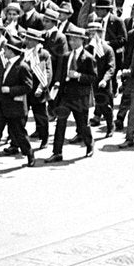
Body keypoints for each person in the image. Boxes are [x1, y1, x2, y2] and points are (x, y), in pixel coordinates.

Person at [0, 34, 37, 171]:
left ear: (12, 51)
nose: (3, 51)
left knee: (19, 134)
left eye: (6, 49)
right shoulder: (3, 64)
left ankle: (29, 153)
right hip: (1, 106)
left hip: (15, 107)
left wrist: (10, 90)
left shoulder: (22, 67)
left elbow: (28, 87)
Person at [47, 23, 98, 162]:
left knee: (82, 124)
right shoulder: (65, 56)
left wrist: (78, 75)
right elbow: (60, 74)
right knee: (60, 124)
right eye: (70, 39)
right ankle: (57, 152)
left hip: (80, 96)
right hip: (66, 95)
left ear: (82, 40)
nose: (72, 42)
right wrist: (57, 84)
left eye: (75, 39)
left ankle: (89, 144)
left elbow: (93, 78)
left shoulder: (88, 58)